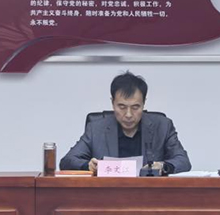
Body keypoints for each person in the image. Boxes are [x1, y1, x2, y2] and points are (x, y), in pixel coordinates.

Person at [60, 71, 191, 174]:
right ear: (113, 103)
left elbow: (183, 161)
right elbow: (67, 161)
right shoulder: (96, 129)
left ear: (144, 103)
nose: (128, 114)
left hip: (149, 195)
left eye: (135, 107)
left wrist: (163, 166)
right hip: (108, 195)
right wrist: (87, 165)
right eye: (122, 107)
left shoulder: (162, 126)